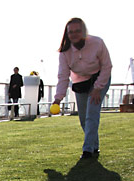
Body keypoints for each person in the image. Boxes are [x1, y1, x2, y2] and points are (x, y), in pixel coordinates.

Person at [53, 17, 112, 159]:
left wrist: (98, 88)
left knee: (92, 112)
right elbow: (63, 76)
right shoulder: (65, 52)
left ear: (84, 31)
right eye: (71, 32)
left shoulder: (97, 43)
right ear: (67, 34)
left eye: (77, 31)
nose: (74, 34)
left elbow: (107, 66)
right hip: (80, 83)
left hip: (99, 79)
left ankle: (87, 150)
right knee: (83, 118)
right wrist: (58, 99)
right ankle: (94, 146)